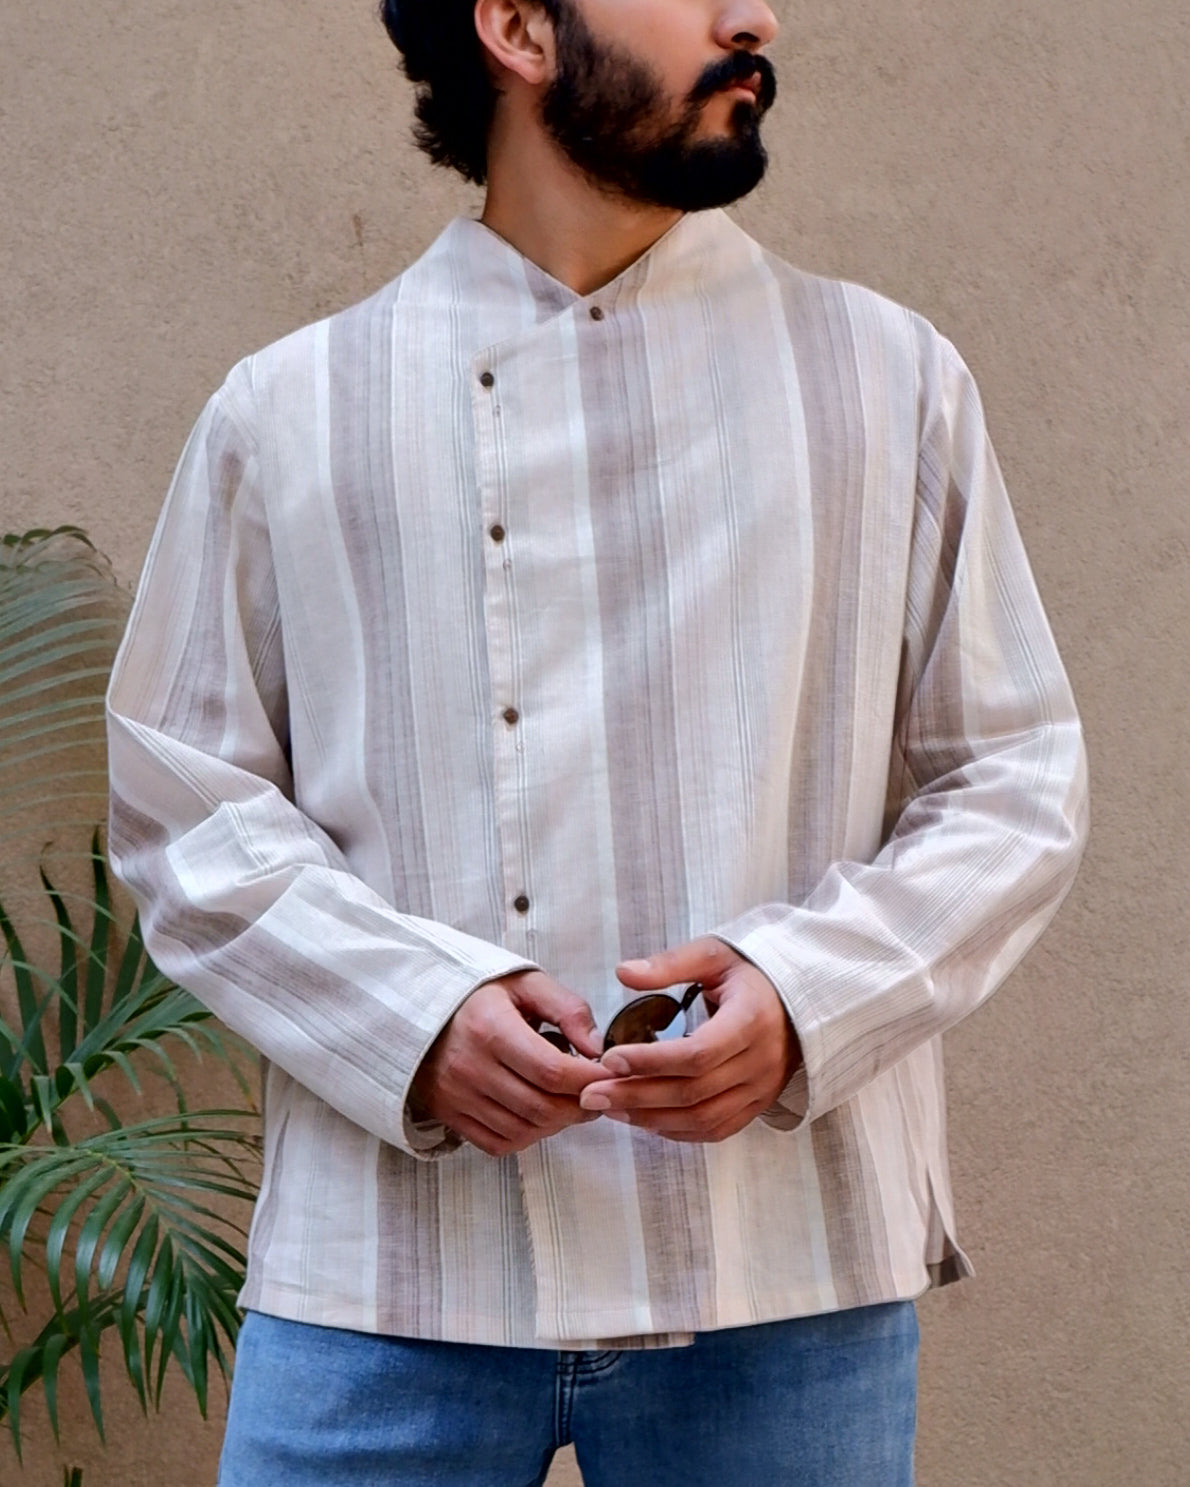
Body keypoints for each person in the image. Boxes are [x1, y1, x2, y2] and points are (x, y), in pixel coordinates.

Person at [106, 1, 1089, 1483]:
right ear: (514, 23)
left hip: (779, 1272)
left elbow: (1013, 777)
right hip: (385, 1277)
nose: (753, 17)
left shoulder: (887, 381)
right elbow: (184, 803)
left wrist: (806, 994)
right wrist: (416, 1017)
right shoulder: (292, 410)